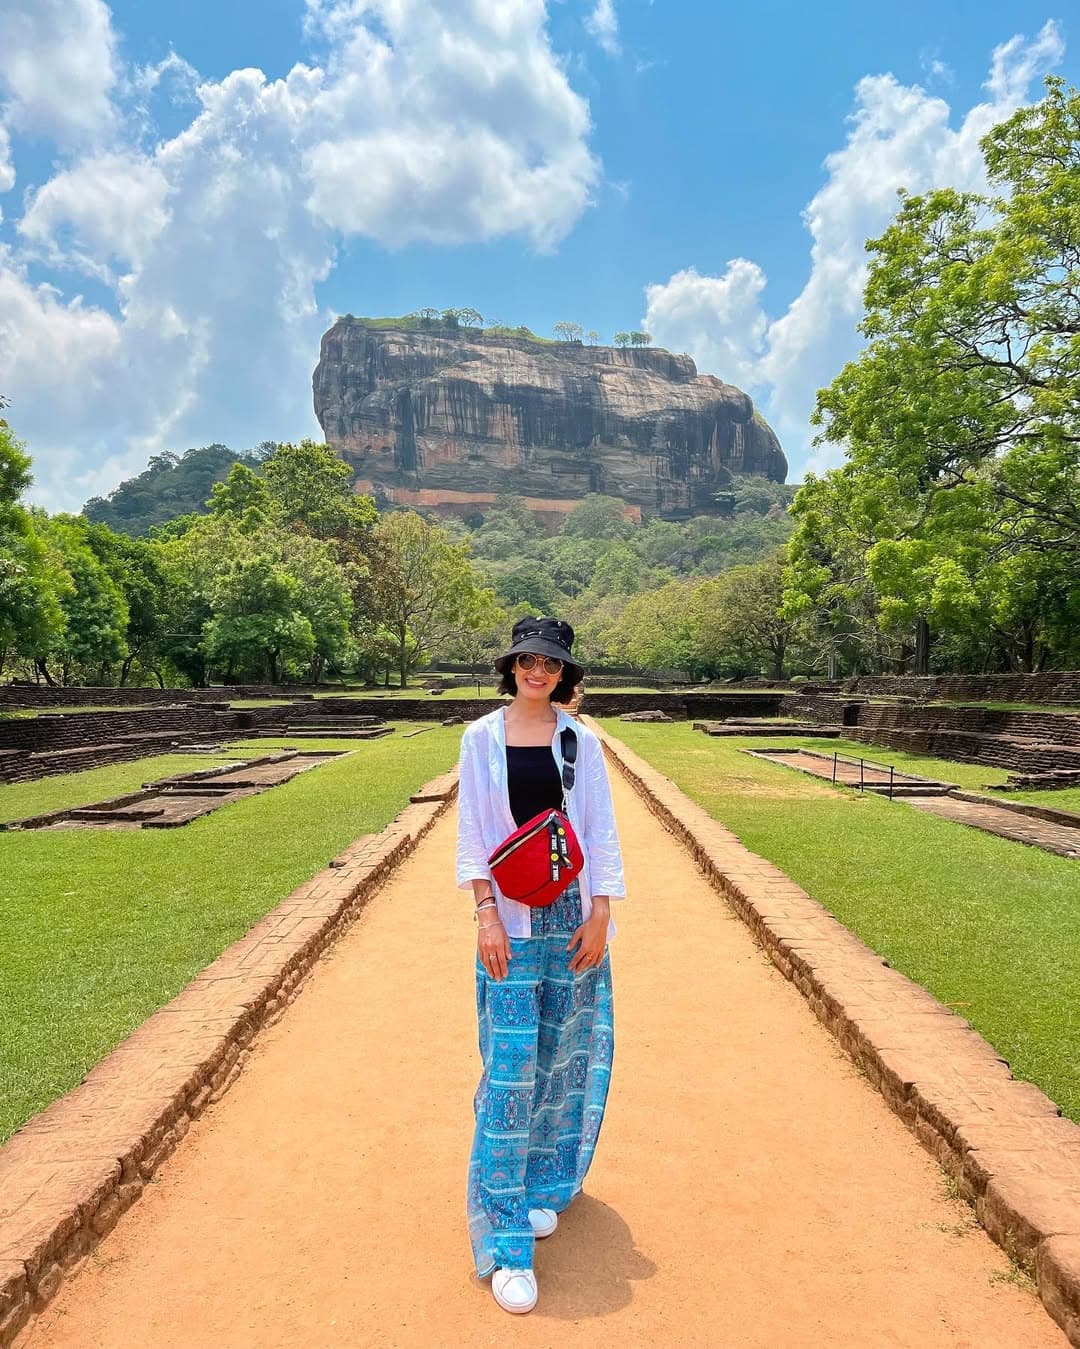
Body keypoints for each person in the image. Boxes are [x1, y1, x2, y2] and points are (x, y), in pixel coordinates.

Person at [456, 616, 625, 1315]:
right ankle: (504, 1238)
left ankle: (539, 1183)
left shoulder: (578, 740)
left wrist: (602, 914)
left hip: (570, 920)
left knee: (560, 1058)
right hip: (512, 922)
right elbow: (471, 829)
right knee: (510, 1066)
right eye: (527, 660)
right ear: (512, 667)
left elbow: (600, 826)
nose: (537, 671)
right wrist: (486, 913)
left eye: (550, 663)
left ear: (564, 674)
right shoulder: (481, 739)